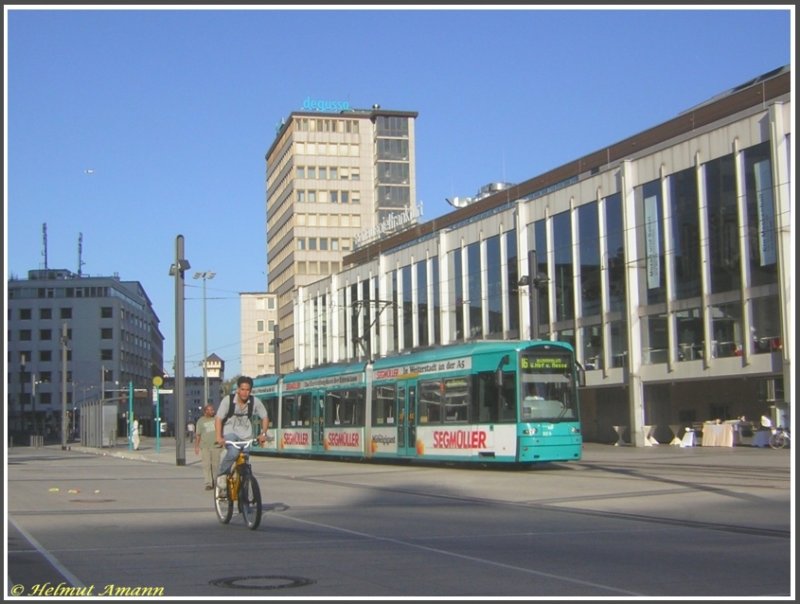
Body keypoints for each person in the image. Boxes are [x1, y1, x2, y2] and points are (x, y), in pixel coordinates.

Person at [215, 376, 268, 495]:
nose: (245, 393)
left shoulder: (254, 402)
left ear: (251, 391)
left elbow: (264, 417)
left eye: (248, 390)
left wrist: (263, 433)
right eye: (242, 389)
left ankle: (243, 498)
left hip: (246, 435)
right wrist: (219, 437)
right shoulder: (228, 400)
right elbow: (218, 419)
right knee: (233, 452)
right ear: (238, 389)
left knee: (245, 464)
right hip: (230, 433)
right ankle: (222, 473)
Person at [194, 404, 222, 490]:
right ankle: (208, 483)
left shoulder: (217, 419)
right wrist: (197, 446)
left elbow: (222, 431)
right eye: (210, 410)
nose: (212, 411)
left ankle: (216, 481)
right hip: (205, 446)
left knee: (215, 465)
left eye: (213, 410)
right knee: (206, 465)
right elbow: (198, 435)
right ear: (205, 411)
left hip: (216, 446)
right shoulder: (201, 421)